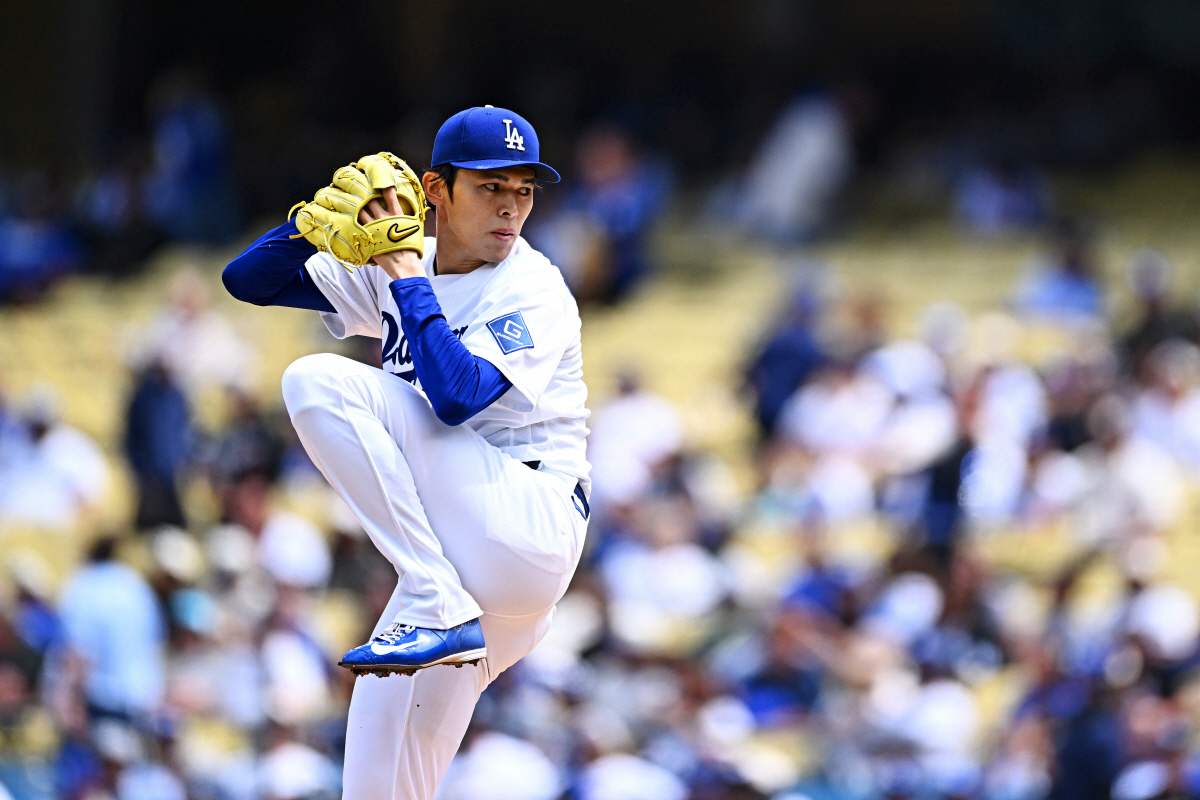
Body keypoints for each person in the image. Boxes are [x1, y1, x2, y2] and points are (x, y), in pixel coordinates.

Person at [222, 106, 590, 799]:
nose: (511, 207)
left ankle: (429, 593)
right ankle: (431, 597)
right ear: (435, 189)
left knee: (315, 378)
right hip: (472, 576)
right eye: (490, 187)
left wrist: (400, 271)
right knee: (380, 776)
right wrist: (307, 222)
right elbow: (249, 281)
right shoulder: (409, 261)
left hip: (526, 524)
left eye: (524, 190)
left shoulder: (534, 287)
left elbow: (454, 397)